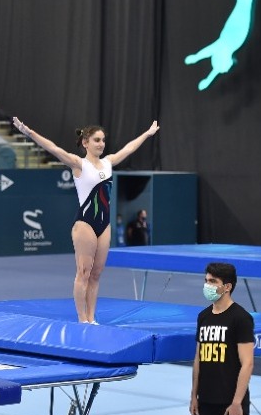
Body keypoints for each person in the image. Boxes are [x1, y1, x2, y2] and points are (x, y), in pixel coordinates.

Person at [13, 116, 159, 324]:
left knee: (96, 274)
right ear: (85, 143)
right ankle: (82, 318)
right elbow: (53, 148)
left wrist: (147, 134)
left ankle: (91, 317)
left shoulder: (108, 163)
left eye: (103, 140)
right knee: (83, 272)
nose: (101, 144)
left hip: (104, 223)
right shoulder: (78, 164)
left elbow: (128, 149)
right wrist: (28, 132)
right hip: (85, 223)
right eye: (97, 140)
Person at [190, 262, 254, 415]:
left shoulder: (241, 318)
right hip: (206, 400)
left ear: (227, 287)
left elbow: (247, 363)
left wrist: (237, 402)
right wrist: (194, 396)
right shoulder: (203, 317)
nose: (207, 285)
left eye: (213, 282)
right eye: (206, 280)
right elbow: (198, 359)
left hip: (230, 402)